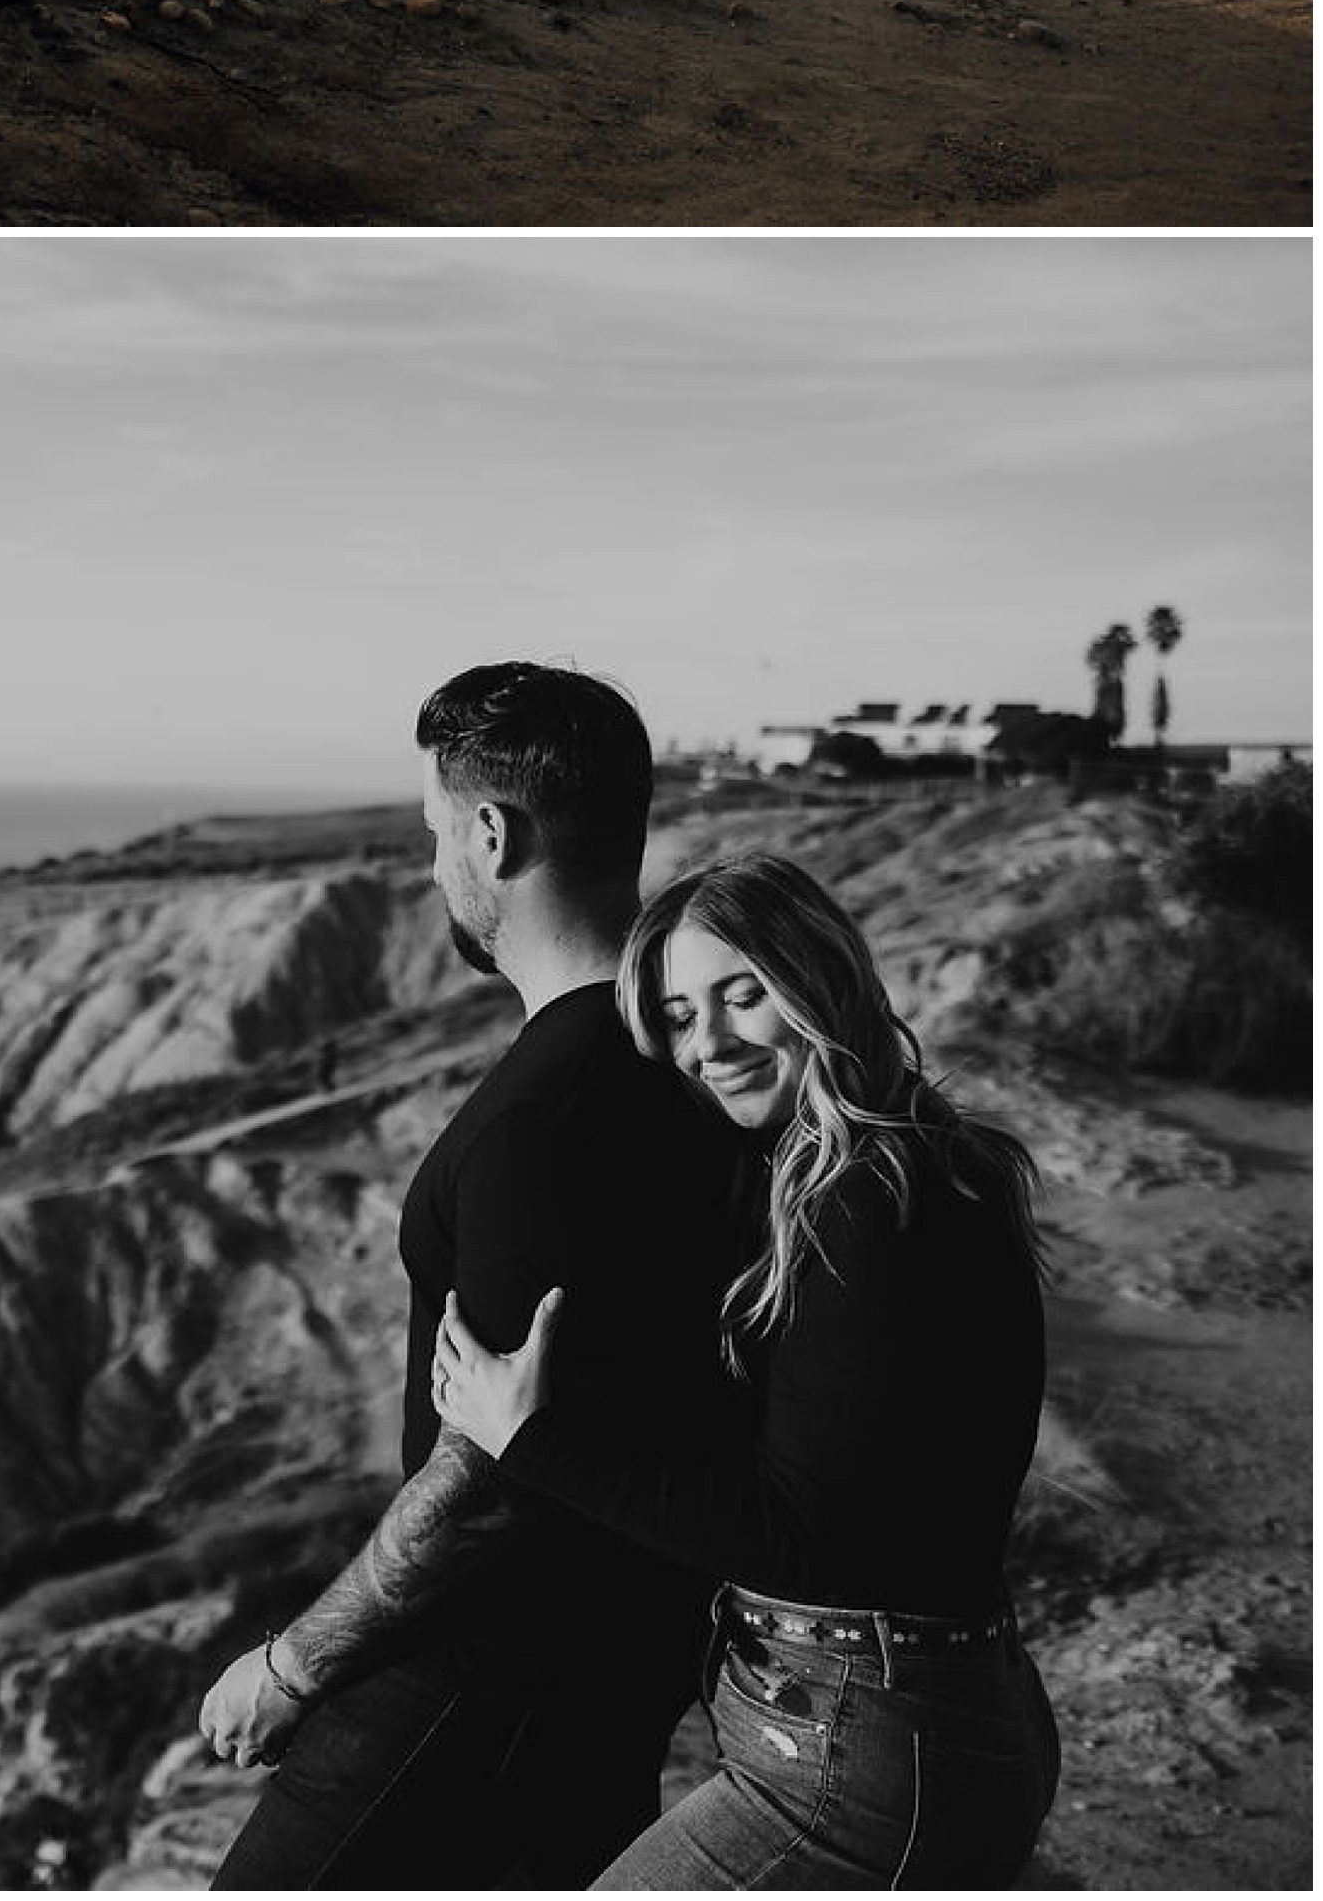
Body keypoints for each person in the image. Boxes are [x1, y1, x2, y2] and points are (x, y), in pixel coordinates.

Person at [197, 664, 750, 1890]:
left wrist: (291, 1664)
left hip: (474, 1686)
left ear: (490, 834)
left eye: (435, 832)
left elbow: (494, 1479)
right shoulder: (683, 1068)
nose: (435, 863)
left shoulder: (546, 1117)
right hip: (606, 1680)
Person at [431, 852, 1059, 1890]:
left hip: (862, 1746)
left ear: (820, 981)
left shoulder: (872, 1205)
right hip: (905, 1712)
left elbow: (801, 1534)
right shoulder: (907, 1169)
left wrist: (529, 1437)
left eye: (742, 994)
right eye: (677, 1015)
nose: (707, 1042)